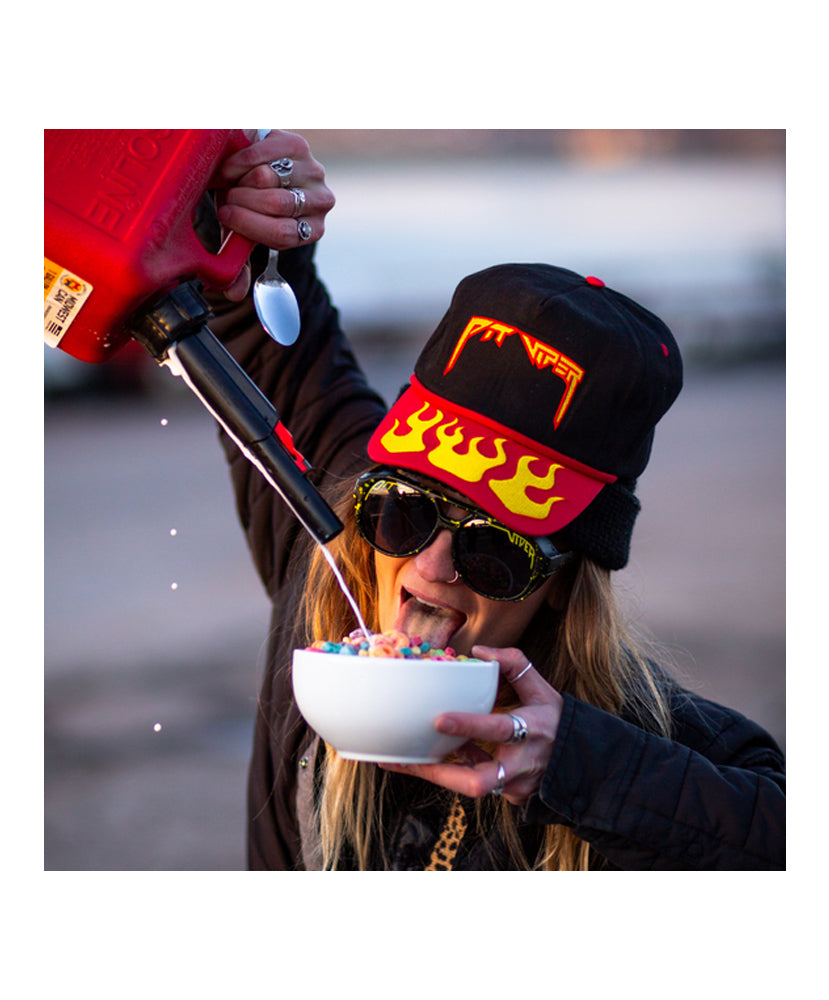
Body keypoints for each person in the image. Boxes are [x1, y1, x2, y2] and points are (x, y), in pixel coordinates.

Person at [204, 130, 785, 870]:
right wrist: (269, 200)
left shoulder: (632, 736)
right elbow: (245, 296)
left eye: (494, 547)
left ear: (563, 582)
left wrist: (575, 767)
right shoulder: (331, 534)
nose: (431, 563)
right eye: (407, 508)